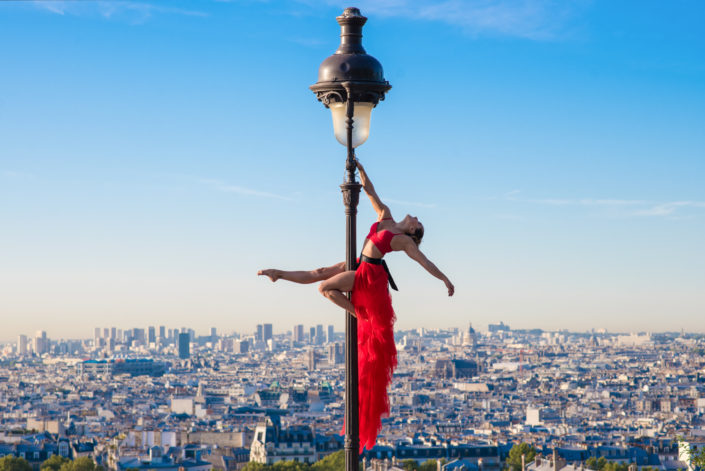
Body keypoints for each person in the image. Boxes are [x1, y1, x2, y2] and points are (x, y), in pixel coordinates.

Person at [258, 159, 454, 452]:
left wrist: (445, 280)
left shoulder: (404, 242)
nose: (416, 217)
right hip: (363, 264)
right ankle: (279, 274)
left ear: (414, 232)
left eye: (418, 224)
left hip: (370, 276)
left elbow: (427, 262)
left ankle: (358, 313)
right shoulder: (386, 217)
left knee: (324, 287)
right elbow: (371, 191)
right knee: (320, 272)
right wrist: (360, 167)